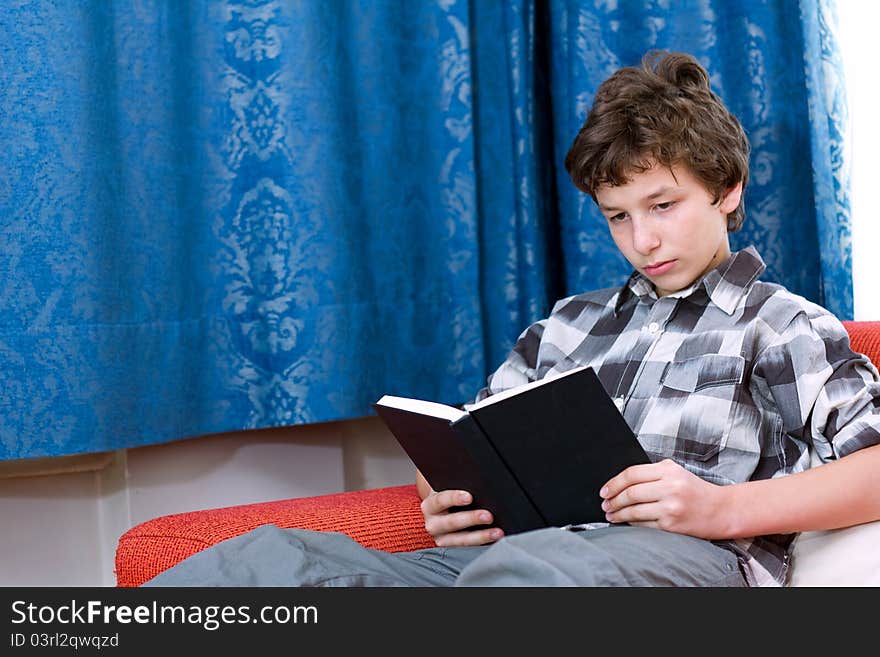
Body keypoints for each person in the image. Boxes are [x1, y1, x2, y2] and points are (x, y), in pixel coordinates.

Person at [145, 50, 880, 587]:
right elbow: (478, 439)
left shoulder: (778, 323)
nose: (642, 240)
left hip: (680, 562)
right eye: (618, 217)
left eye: (663, 205)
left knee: (536, 573)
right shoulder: (568, 325)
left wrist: (722, 508)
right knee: (264, 564)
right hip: (505, 557)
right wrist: (449, 497)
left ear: (726, 191)